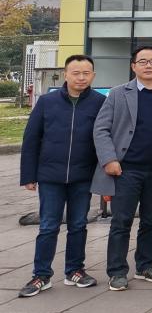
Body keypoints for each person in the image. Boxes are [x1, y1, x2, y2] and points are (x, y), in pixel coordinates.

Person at [93, 47, 152, 291]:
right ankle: (117, 271)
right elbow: (101, 129)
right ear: (133, 66)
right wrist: (109, 159)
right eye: (142, 61)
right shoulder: (118, 93)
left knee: (151, 220)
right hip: (126, 169)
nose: (148, 65)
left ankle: (145, 265)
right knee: (121, 221)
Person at [18, 55, 105, 297]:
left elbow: (104, 139)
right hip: (50, 176)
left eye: (86, 73)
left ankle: (75, 270)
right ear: (66, 74)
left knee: (79, 224)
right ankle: (41, 275)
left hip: (83, 176)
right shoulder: (47, 102)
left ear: (93, 76)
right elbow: (31, 139)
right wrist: (28, 175)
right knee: (48, 226)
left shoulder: (100, 103)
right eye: (76, 73)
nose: (81, 78)